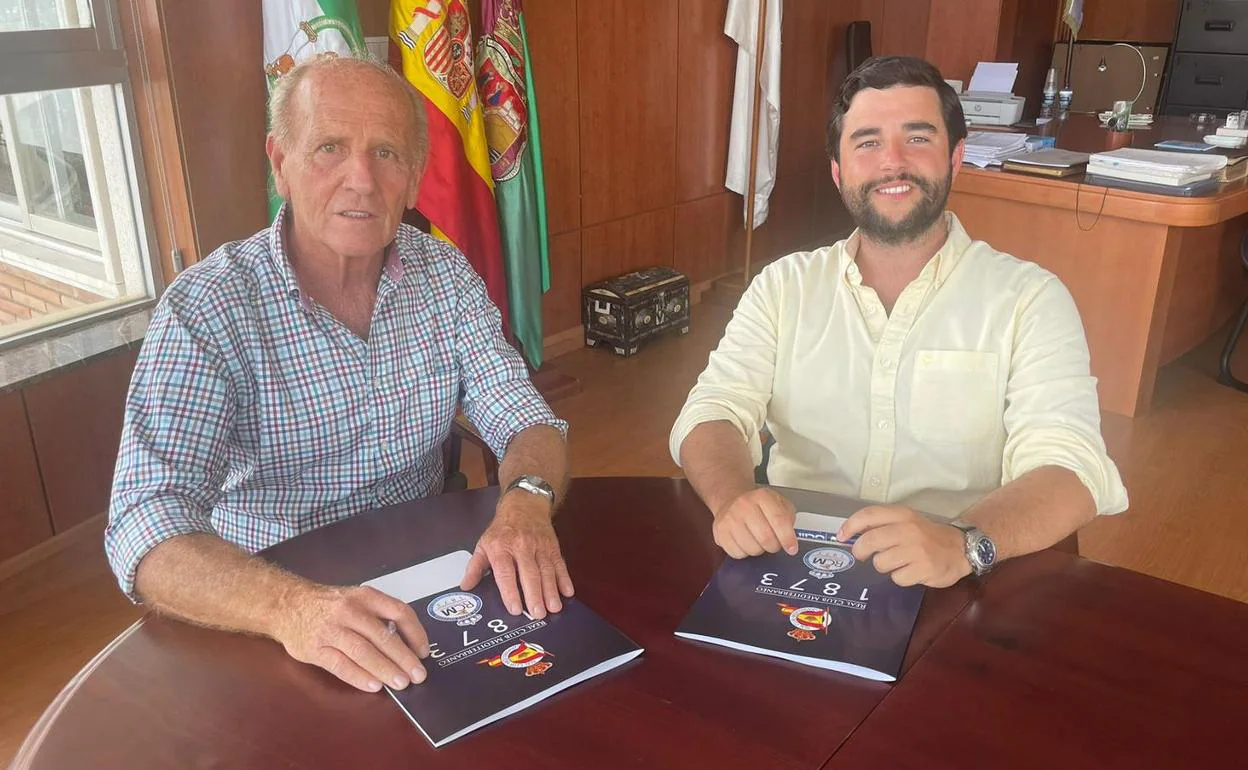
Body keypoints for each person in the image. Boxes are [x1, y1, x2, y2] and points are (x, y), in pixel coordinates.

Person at [105, 55, 572, 695]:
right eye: (330, 147)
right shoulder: (208, 310)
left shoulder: (446, 276)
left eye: (386, 153)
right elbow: (144, 523)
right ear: (280, 164)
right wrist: (290, 609)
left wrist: (528, 498)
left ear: (413, 180)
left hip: (433, 581)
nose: (361, 179)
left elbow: (526, 418)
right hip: (276, 612)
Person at [670, 56, 1128, 588]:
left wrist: (964, 542)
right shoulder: (782, 286)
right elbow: (712, 411)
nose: (891, 161)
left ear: (955, 158)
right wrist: (733, 499)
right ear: (839, 172)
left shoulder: (1030, 299)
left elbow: (1071, 469)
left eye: (917, 138)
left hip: (960, 575)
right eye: (866, 142)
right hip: (796, 560)